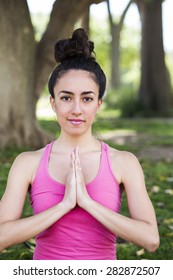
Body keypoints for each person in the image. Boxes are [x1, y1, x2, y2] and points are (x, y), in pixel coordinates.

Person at [0, 28, 159, 260]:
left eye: (87, 98)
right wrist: (64, 205)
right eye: (66, 98)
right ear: (53, 103)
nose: (76, 109)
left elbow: (151, 239)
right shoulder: (28, 163)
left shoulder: (123, 162)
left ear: (99, 103)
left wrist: (86, 202)